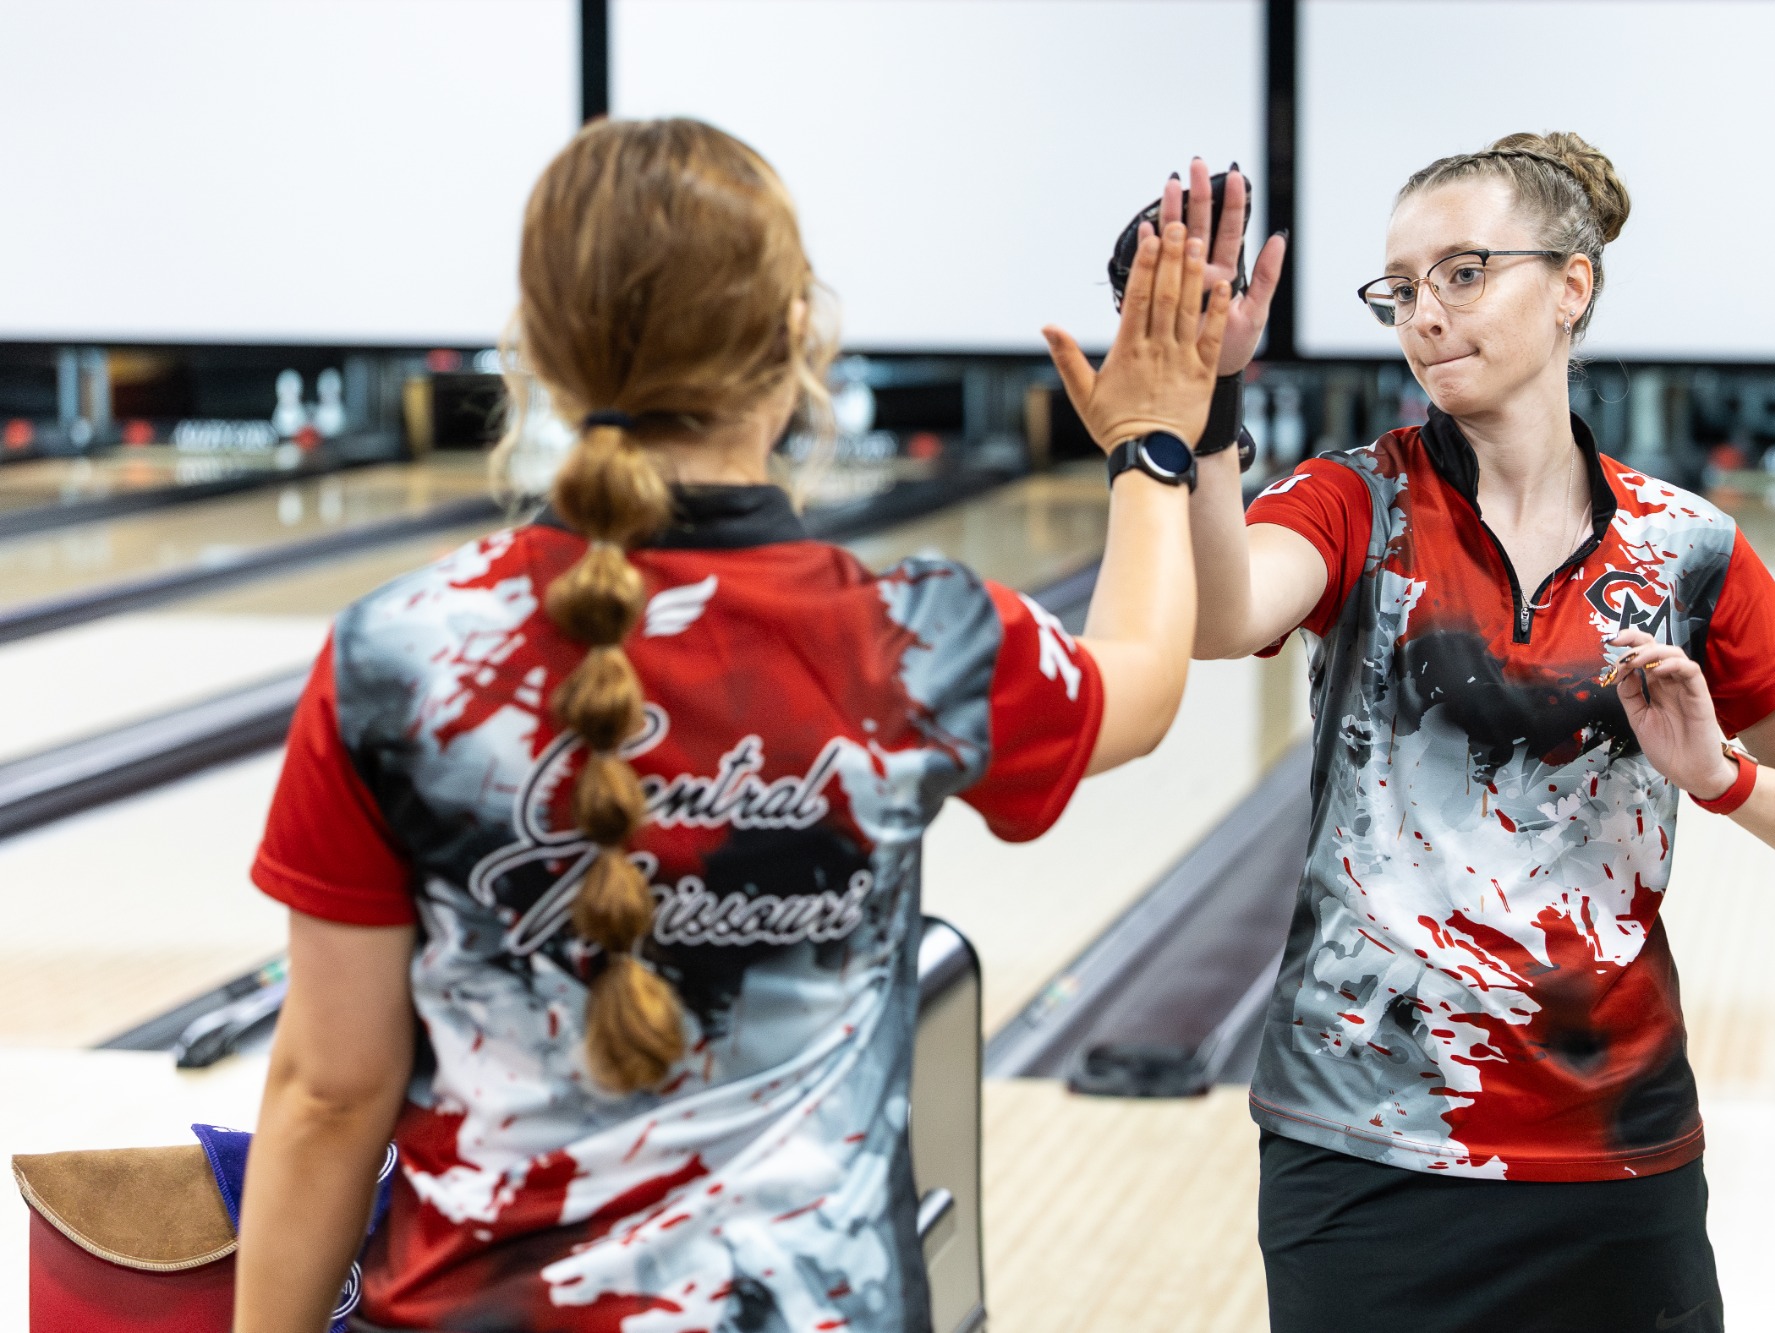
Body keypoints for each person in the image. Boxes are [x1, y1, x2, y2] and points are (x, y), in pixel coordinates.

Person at [231, 118, 1233, 1333]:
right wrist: (1150, 448)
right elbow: (1141, 679)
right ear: (800, 334)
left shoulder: (399, 654)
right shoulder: (915, 638)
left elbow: (329, 1094)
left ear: (535, 344)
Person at [1167, 135, 1775, 1331]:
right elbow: (1216, 614)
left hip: (1616, 1147)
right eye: (1400, 289)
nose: (1423, 315)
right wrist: (1207, 413)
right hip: (1362, 1146)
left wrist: (1720, 775)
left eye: (1462, 273)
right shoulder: (1353, 499)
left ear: (1570, 286)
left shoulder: (1683, 546)